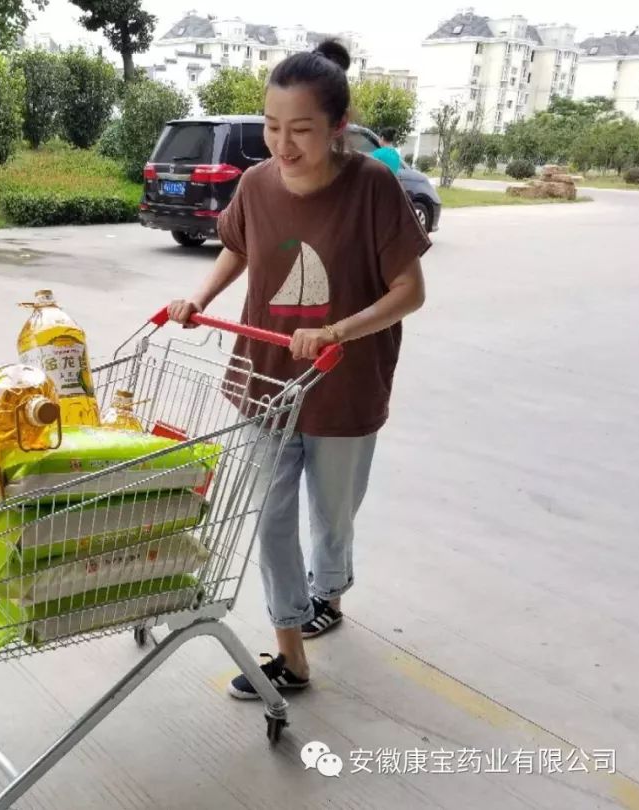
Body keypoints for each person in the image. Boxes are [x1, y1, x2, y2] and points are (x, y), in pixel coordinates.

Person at [167, 40, 429, 700]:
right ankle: (290, 650)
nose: (282, 145)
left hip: (346, 386)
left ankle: (329, 593)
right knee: (269, 516)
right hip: (264, 382)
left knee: (332, 517)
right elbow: (237, 248)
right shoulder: (256, 184)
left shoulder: (372, 187)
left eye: (301, 130)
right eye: (271, 127)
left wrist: (337, 331)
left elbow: (410, 291)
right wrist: (200, 298)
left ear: (338, 126)